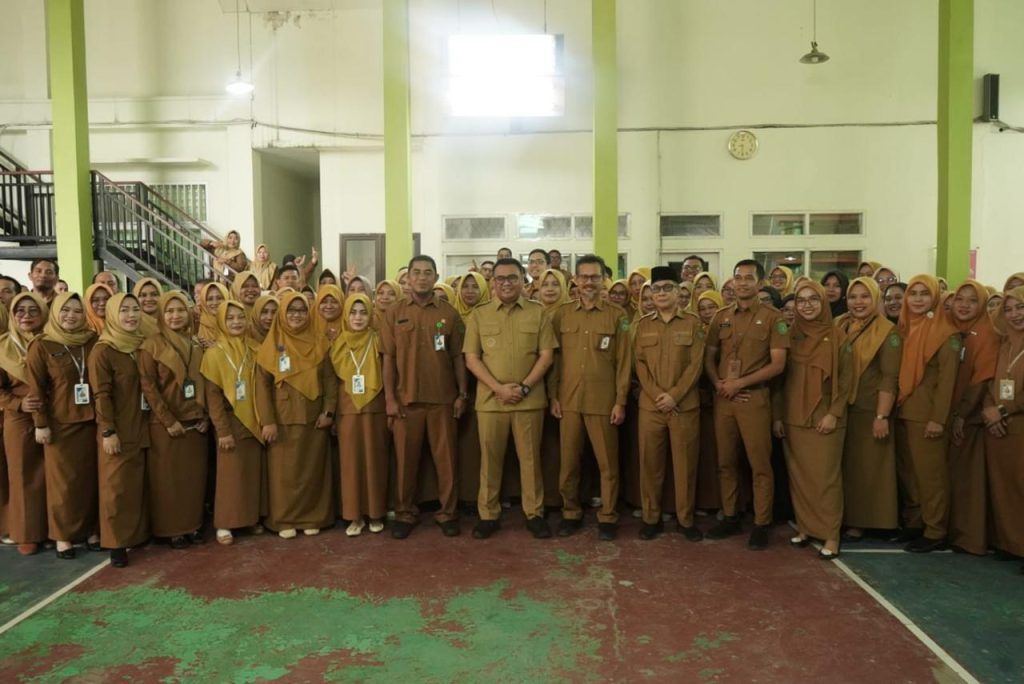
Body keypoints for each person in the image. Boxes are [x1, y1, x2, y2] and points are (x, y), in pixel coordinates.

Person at [463, 258, 557, 539]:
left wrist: (524, 388)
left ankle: (534, 513)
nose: (506, 283)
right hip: (491, 402)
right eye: (501, 278)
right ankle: (488, 514)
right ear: (493, 282)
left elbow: (546, 355)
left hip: (529, 400)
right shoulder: (479, 315)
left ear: (522, 281)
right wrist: (498, 388)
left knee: (530, 460)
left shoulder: (538, 313)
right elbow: (471, 358)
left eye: (512, 278)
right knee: (489, 461)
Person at [704, 260, 790, 549]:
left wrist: (740, 383)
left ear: (760, 283)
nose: (742, 283)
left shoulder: (773, 317)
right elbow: (709, 356)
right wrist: (718, 383)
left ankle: (762, 522)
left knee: (759, 464)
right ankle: (730, 516)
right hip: (724, 399)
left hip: (754, 399)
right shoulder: (721, 317)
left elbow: (778, 365)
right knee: (726, 462)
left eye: (749, 278)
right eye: (738, 277)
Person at [380, 255, 467, 539]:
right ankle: (404, 513)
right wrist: (390, 399)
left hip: (443, 399)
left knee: (447, 461)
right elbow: (388, 359)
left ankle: (448, 513)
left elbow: (458, 357)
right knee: (405, 462)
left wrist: (462, 394)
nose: (421, 277)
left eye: (428, 272)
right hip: (406, 401)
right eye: (416, 272)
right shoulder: (394, 312)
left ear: (436, 277)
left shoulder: (449, 314)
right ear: (408, 278)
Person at [548, 255, 631, 541]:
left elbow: (624, 362)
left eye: (595, 277)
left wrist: (620, 400)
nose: (589, 282)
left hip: (603, 401)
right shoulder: (562, 314)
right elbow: (555, 360)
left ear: (603, 279)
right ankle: (570, 512)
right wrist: (553, 395)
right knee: (569, 463)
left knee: (607, 464)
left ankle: (607, 516)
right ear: (575, 280)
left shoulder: (617, 316)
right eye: (584, 277)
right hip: (568, 400)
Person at [775, 282, 851, 559]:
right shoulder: (790, 335)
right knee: (800, 478)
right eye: (801, 300)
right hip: (793, 416)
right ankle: (806, 528)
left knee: (825, 479)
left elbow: (846, 380)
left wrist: (833, 414)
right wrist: (777, 416)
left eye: (813, 299)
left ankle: (831, 535)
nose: (806, 305)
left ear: (823, 302)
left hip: (825, 417)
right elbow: (780, 381)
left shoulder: (838, 336)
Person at [255, 291, 337, 539]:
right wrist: (268, 421)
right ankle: (284, 520)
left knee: (313, 472)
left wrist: (329, 411)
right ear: (282, 313)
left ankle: (313, 517)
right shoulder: (270, 346)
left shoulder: (319, 342)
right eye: (291, 310)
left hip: (314, 419)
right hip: (282, 420)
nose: (297, 315)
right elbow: (262, 387)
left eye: (302, 310)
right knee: (284, 475)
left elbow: (329, 380)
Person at [632, 266, 705, 540]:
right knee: (650, 464)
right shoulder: (643, 324)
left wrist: (674, 395)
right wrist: (656, 395)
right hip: (651, 408)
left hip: (683, 406)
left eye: (667, 288)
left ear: (678, 292)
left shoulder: (693, 323)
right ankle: (651, 518)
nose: (661, 293)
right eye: (656, 289)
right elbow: (639, 364)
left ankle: (686, 520)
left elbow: (696, 365)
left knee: (685, 465)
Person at [26, 292, 100, 559]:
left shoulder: (91, 340)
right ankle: (63, 536)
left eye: (77, 311)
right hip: (59, 426)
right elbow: (36, 389)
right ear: (55, 312)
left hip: (91, 422)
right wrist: (40, 424)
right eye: (65, 310)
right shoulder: (42, 345)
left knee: (89, 480)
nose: (71, 316)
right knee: (63, 485)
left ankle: (91, 531)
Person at [139, 291, 210, 549]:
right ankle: (172, 530)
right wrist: (168, 420)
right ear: (161, 315)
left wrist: (205, 416)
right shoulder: (151, 346)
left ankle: (193, 525)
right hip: (166, 427)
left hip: (195, 424)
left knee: (193, 480)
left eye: (180, 310)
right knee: (168, 481)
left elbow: (205, 382)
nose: (175, 316)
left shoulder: (195, 345)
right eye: (169, 311)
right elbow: (149, 388)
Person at [895, 274, 960, 553]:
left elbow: (947, 382)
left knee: (931, 476)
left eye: (925, 293)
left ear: (935, 297)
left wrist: (938, 419)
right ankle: (915, 523)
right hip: (902, 411)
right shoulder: (904, 329)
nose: (918, 299)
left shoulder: (946, 334)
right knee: (909, 474)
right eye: (913, 293)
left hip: (927, 417)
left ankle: (935, 530)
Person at [88, 293, 150, 568]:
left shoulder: (141, 345)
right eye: (124, 310)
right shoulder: (103, 350)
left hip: (142, 425)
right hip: (118, 429)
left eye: (135, 309)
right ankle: (115, 543)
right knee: (116, 488)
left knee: (136, 485)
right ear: (112, 314)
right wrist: (107, 432)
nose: (131, 315)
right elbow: (101, 395)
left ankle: (135, 535)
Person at [837, 277, 901, 541]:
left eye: (865, 296)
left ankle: (863, 522)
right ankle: (844, 517)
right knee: (846, 468)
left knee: (868, 468)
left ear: (875, 299)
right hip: (842, 408)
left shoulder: (887, 331)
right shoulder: (840, 325)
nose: (858, 302)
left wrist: (881, 415)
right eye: (853, 296)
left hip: (870, 410)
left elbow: (889, 377)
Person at [201, 301, 266, 545]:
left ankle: (249, 519)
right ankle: (225, 522)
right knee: (230, 475)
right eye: (230, 318)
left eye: (240, 317)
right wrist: (223, 431)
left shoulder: (255, 348)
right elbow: (213, 397)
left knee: (251, 473)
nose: (236, 322)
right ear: (221, 321)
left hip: (253, 420)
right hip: (229, 422)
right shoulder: (214, 354)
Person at [946, 280, 1000, 555]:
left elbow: (981, 379)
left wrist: (962, 415)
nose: (964, 305)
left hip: (970, 418)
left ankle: (970, 538)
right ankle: (955, 532)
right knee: (952, 478)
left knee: (969, 480)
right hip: (947, 413)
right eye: (960, 299)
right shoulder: (951, 330)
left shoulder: (987, 332)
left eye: (972, 300)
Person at [331, 294, 388, 536]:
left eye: (363, 312)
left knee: (375, 462)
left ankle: (375, 513)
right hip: (347, 411)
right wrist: (332, 414)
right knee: (350, 464)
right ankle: (354, 516)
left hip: (375, 408)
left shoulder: (379, 340)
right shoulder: (337, 343)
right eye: (353, 312)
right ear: (346, 315)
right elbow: (331, 383)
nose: (358, 317)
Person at [0, 292, 48, 554]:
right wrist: (18, 403)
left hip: (52, 416)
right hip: (19, 420)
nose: (26, 316)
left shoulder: (52, 341)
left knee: (51, 474)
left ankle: (52, 528)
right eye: (20, 311)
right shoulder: (3, 347)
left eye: (33, 310)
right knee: (23, 475)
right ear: (12, 315)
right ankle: (27, 533)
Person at [983, 286, 1024, 570]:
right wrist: (990, 410)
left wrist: (1003, 410)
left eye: (1020, 307)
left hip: (1018, 423)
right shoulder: (1004, 343)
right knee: (1004, 488)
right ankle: (1012, 544)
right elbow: (990, 381)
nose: (1014, 314)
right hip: (999, 428)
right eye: (1008, 309)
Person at [453, 272, 491, 508]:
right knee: (462, 446)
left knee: (484, 445)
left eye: (475, 287)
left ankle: (485, 496)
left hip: (486, 387)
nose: (469, 291)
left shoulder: (491, 316)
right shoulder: (451, 316)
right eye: (465, 286)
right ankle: (465, 495)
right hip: (458, 388)